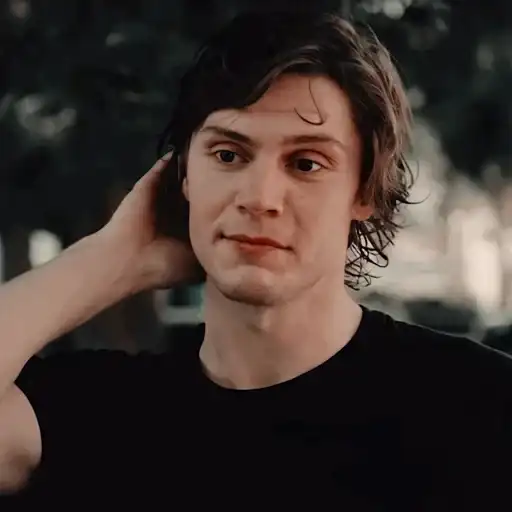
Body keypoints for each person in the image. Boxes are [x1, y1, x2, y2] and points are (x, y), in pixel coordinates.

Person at [0, 9, 511, 510]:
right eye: (228, 155)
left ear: (364, 192)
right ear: (183, 176)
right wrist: (113, 258)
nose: (260, 197)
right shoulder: (102, 414)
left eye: (306, 163)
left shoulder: (479, 408)